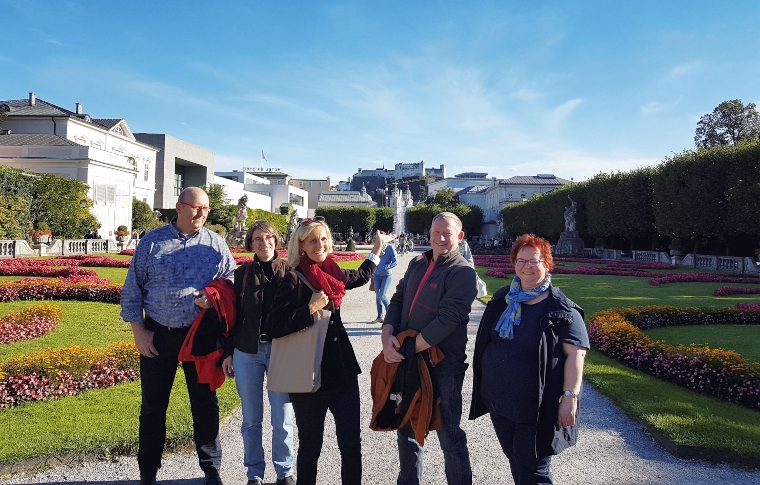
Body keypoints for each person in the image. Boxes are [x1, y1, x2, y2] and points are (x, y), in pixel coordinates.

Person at [121, 187, 236, 485]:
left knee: (205, 403)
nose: (202, 213)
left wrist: (213, 298)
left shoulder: (216, 243)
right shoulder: (153, 242)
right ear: (179, 207)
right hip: (158, 334)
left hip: (200, 335)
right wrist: (139, 333)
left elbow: (231, 281)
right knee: (153, 405)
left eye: (206, 209)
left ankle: (211, 467)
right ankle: (148, 470)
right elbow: (133, 288)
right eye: (197, 208)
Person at [267, 216, 394, 485]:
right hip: (308, 377)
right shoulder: (293, 279)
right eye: (312, 240)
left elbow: (359, 277)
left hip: (343, 373)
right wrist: (309, 309)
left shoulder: (332, 272)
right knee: (311, 448)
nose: (320, 245)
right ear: (301, 245)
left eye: (323, 239)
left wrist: (377, 248)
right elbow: (274, 326)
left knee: (350, 447)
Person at [469, 233, 590, 485]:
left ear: (547, 263)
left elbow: (576, 356)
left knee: (534, 471)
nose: (526, 267)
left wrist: (569, 397)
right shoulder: (504, 299)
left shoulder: (562, 310)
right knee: (515, 460)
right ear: (513, 263)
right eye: (521, 261)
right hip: (500, 402)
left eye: (534, 261)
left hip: (535, 407)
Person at [380, 212, 477, 485]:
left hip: (443, 366)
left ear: (459, 237)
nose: (441, 238)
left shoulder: (462, 272)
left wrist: (410, 349)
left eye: (447, 233)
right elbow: (397, 299)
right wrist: (387, 333)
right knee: (407, 429)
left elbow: (448, 319)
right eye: (436, 232)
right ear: (429, 234)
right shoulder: (417, 264)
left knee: (448, 434)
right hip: (410, 360)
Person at [221, 221, 295, 485]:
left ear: (276, 241)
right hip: (247, 352)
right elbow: (233, 317)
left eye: (268, 238)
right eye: (257, 239)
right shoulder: (242, 275)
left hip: (280, 352)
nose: (264, 243)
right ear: (250, 244)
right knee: (251, 419)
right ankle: (254, 473)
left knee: (282, 418)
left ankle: (284, 471)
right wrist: (228, 353)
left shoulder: (290, 272)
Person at [372, 231, 398, 324]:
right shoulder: (376, 248)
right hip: (376, 275)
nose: (377, 240)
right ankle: (380, 316)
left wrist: (386, 267)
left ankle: (391, 317)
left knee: (382, 295)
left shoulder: (390, 248)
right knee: (378, 296)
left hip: (386, 275)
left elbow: (395, 261)